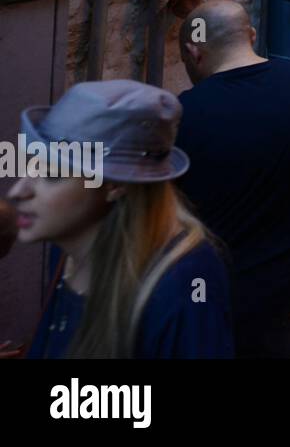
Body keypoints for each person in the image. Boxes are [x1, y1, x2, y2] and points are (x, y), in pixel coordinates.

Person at [10, 80, 233, 358]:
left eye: (52, 174)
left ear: (115, 184)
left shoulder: (184, 285)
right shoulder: (68, 249)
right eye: (28, 166)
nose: (18, 191)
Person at [176, 0, 290, 358]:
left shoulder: (184, 114)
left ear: (193, 51)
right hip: (289, 271)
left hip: (217, 286)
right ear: (250, 35)